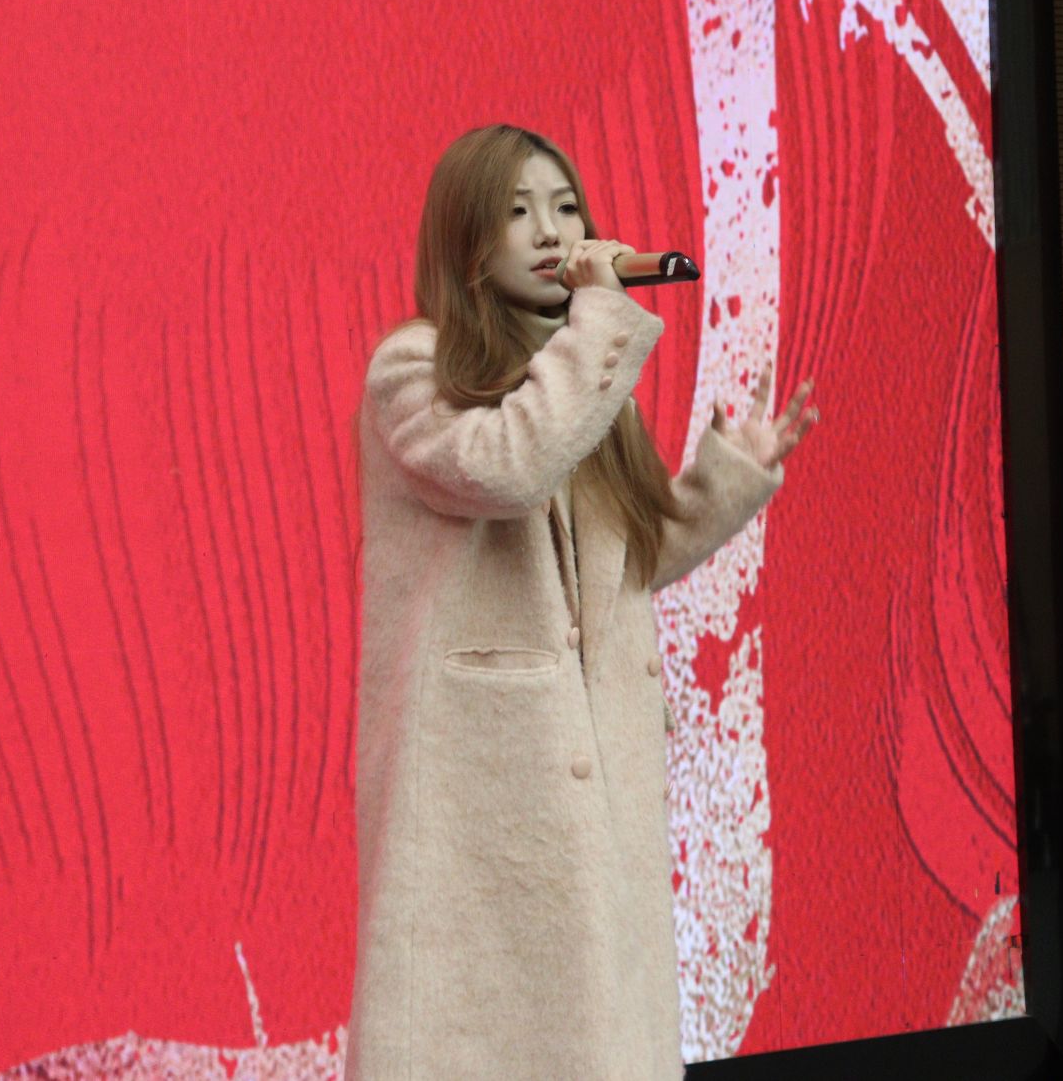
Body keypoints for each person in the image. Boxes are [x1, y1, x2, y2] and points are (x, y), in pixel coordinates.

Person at [346, 124, 818, 1079]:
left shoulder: (583, 387)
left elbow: (629, 558)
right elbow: (506, 466)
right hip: (483, 798)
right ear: (464, 236)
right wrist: (599, 321)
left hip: (591, 795)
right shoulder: (412, 370)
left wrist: (729, 477)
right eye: (518, 211)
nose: (551, 231)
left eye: (565, 208)